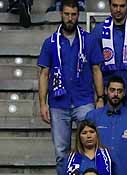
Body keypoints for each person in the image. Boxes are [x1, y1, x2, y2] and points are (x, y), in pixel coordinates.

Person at [38, 1, 104, 165]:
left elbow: (96, 69)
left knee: (89, 148)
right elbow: (44, 74)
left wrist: (101, 97)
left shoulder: (89, 40)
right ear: (61, 14)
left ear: (78, 15)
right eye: (67, 14)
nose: (70, 18)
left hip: (84, 101)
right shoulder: (50, 42)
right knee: (61, 153)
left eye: (73, 15)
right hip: (58, 103)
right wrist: (42, 104)